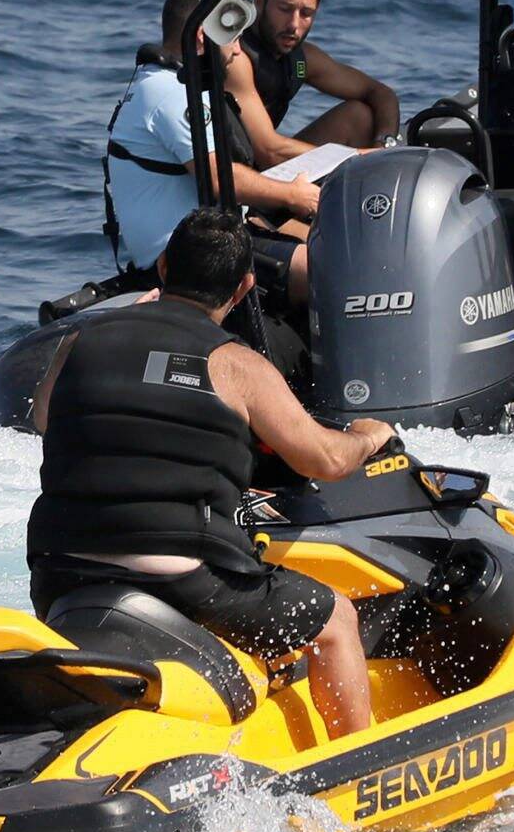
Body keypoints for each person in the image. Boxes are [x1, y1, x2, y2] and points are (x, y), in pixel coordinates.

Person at [27, 209, 398, 736]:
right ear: (246, 286)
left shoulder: (81, 339)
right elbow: (327, 461)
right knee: (335, 620)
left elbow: (45, 418)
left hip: (58, 571)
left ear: (162, 267)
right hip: (179, 580)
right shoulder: (237, 364)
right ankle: (359, 778)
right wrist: (368, 435)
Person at [104, 0, 320, 297]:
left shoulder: (170, 84)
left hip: (212, 235)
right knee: (330, 273)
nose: (237, 50)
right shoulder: (171, 95)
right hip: (187, 258)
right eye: (232, 39)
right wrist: (292, 196)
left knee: (334, 247)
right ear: (203, 37)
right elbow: (218, 177)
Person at [225, 0, 402, 168]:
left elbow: (380, 92)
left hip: (265, 167)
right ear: (259, 1)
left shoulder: (302, 60)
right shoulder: (234, 56)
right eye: (285, 9)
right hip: (231, 177)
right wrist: (359, 155)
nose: (294, 24)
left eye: (306, 13)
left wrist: (384, 143)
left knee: (358, 116)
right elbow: (269, 151)